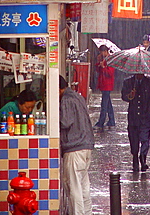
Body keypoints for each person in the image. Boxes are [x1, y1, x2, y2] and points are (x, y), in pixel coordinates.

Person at [59, 75, 94, 215]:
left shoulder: (66, 100)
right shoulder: (78, 97)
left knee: (74, 190)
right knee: (84, 188)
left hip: (75, 148)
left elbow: (65, 122)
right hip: (86, 146)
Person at [121, 73, 150, 172]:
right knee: (134, 140)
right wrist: (130, 96)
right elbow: (124, 96)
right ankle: (135, 159)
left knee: (145, 138)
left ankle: (143, 157)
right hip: (133, 117)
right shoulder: (128, 82)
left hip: (145, 116)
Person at [94, 45, 115, 130]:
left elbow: (110, 73)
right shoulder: (101, 59)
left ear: (106, 51)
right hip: (103, 84)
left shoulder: (110, 60)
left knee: (104, 105)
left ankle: (101, 122)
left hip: (107, 84)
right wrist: (99, 64)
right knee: (108, 104)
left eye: (103, 52)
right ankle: (111, 120)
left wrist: (104, 67)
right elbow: (98, 71)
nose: (102, 53)